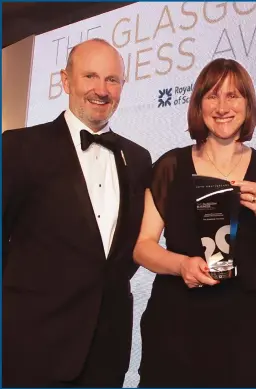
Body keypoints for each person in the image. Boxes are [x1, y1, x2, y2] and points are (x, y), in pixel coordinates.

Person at [133, 58, 256, 387]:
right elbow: (143, 246)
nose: (223, 106)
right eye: (212, 96)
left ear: (247, 104)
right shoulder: (171, 166)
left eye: (233, 96)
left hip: (241, 327)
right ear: (199, 105)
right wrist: (181, 265)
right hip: (175, 320)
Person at [2, 38, 151, 387]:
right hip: (31, 345)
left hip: (107, 350)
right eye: (91, 77)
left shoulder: (139, 158)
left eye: (112, 80)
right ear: (66, 81)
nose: (102, 90)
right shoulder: (19, 147)